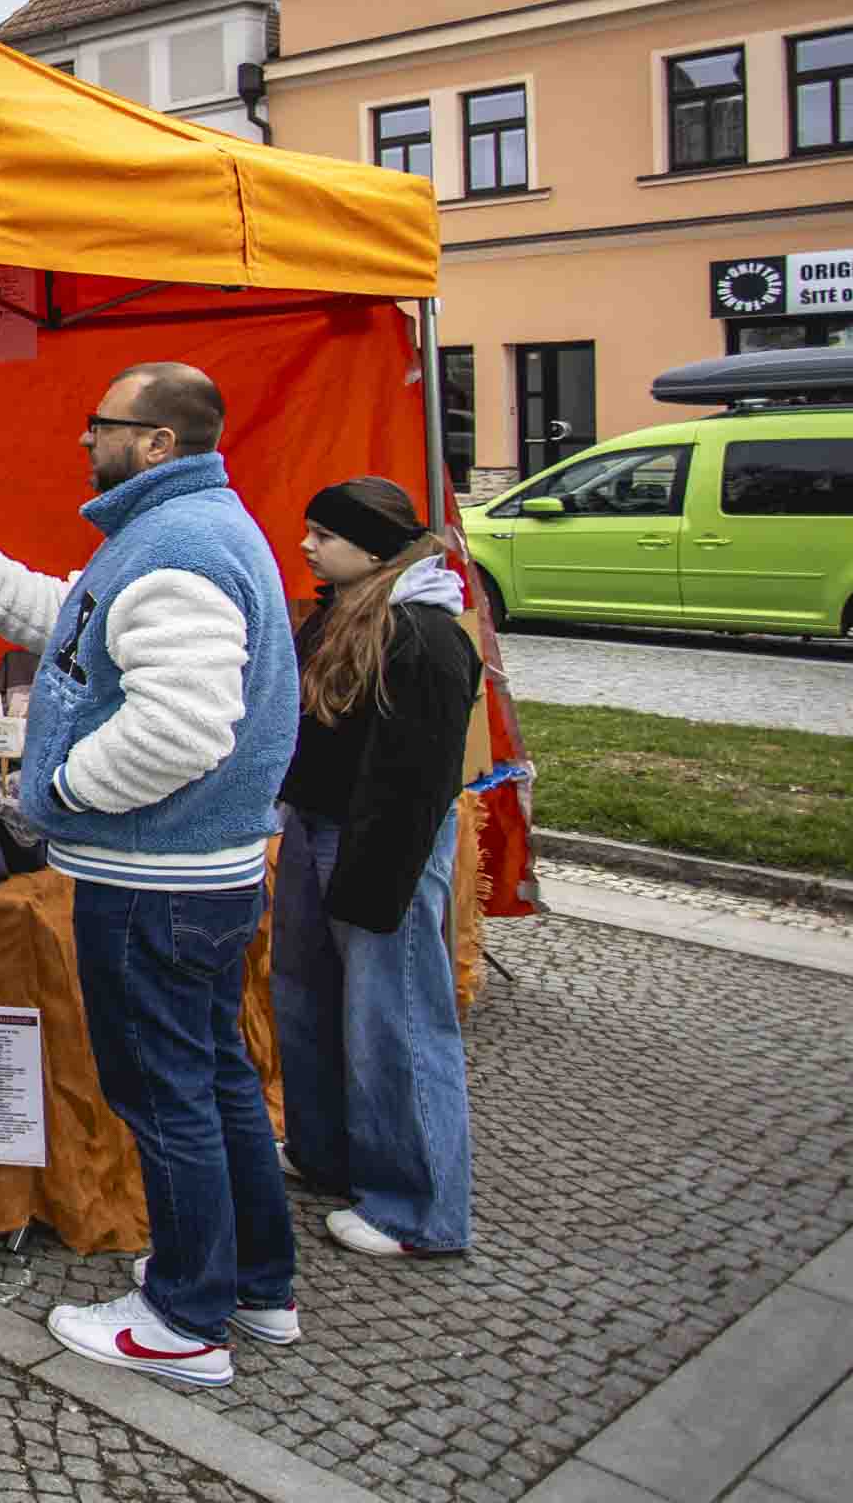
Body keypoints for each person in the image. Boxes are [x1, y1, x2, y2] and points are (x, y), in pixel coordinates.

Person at [0, 361, 301, 1389]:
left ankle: (186, 1318)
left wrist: (57, 793)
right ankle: (255, 1281)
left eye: (101, 423)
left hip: (158, 880)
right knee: (215, 1077)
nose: (85, 438)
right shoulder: (173, 533)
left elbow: (181, 727)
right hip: (195, 874)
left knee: (165, 1092)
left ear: (159, 442)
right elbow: (80, 620)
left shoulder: (180, 549)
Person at [275, 475, 480, 1262]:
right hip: (318, 827)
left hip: (378, 845)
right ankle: (327, 1152)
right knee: (308, 1001)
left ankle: (419, 1210)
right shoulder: (340, 615)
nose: (307, 546)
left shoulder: (424, 639)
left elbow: (417, 780)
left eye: (323, 536)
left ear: (369, 549)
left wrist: (376, 881)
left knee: (394, 1020)